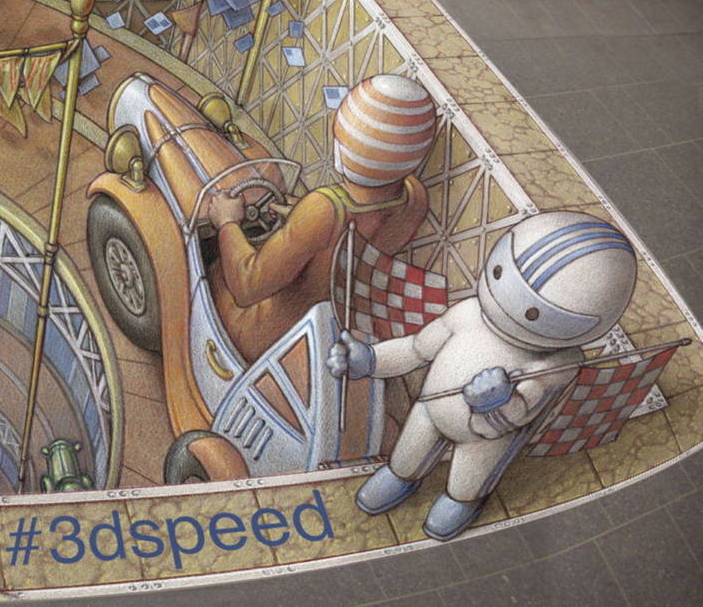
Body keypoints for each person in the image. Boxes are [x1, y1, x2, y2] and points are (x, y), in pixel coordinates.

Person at [329, 211, 636, 541]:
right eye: (501, 274)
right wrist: (371, 360)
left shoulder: (555, 365)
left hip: (484, 438)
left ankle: (463, 502)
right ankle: (402, 477)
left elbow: (517, 416)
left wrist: (497, 404)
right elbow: (417, 349)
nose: (507, 304)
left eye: (534, 313)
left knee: (467, 484)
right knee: (406, 458)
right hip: (429, 409)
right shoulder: (469, 312)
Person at [207, 75, 434, 362]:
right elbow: (346, 244)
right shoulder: (415, 198)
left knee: (214, 269)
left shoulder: (325, 208)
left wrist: (227, 222)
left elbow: (247, 287)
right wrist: (302, 224)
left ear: (342, 147)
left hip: (266, 339)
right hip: (322, 334)